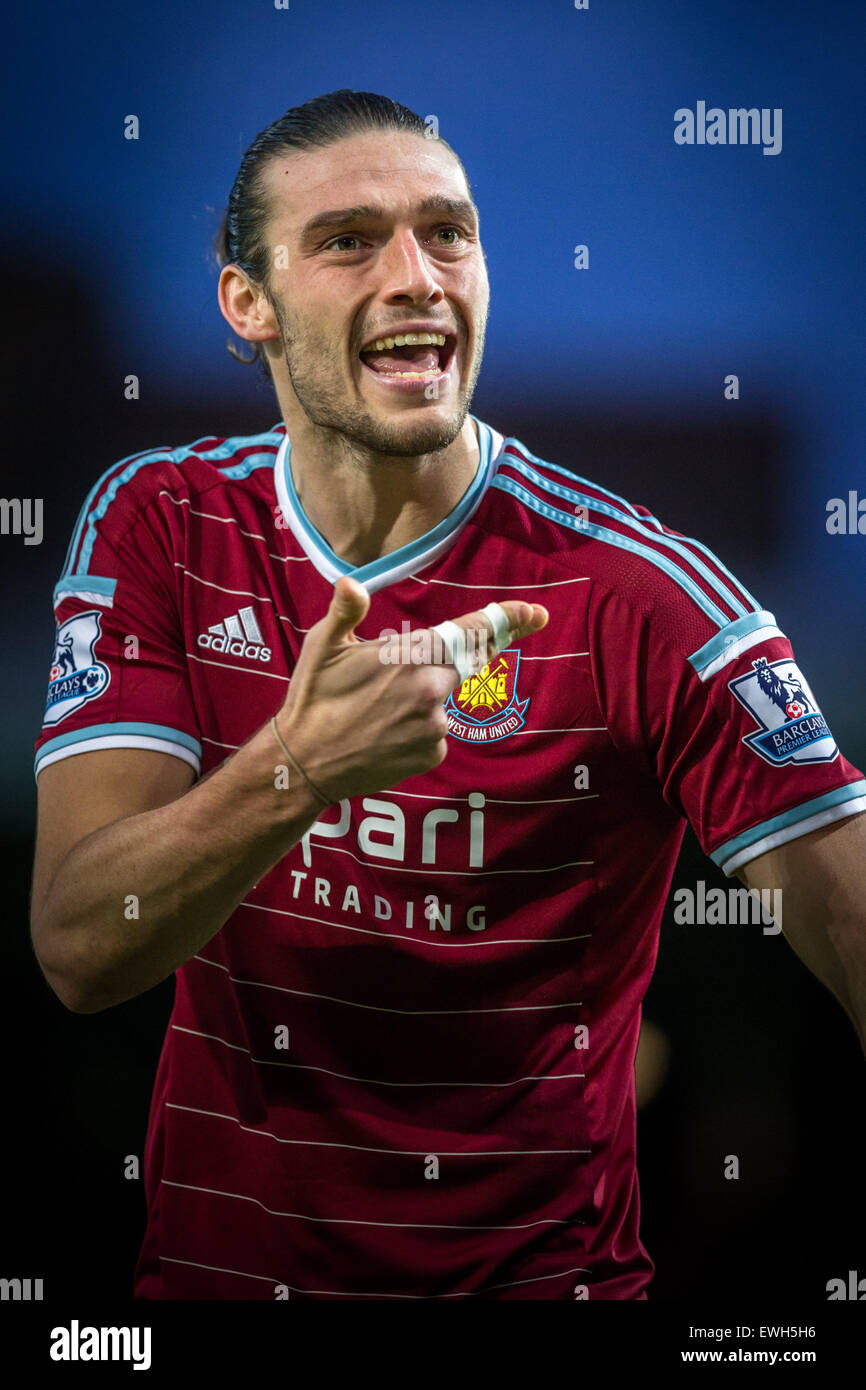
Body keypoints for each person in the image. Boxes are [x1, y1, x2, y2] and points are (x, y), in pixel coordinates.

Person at [30, 90, 866, 1301]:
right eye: (349, 240)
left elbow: (847, 922)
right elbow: (76, 948)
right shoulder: (162, 520)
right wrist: (298, 769)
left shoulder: (640, 593)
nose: (418, 275)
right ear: (246, 304)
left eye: (448, 232)